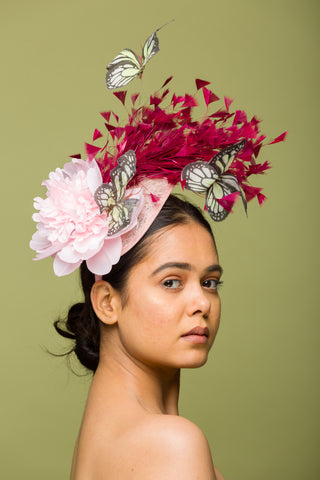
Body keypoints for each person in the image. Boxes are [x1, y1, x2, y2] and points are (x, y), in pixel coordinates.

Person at [30, 40, 285, 477]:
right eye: (172, 281)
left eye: (210, 281)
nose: (202, 302)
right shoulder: (170, 446)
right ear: (107, 301)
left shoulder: (106, 441)